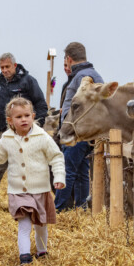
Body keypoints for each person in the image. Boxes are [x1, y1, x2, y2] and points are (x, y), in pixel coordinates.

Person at [0, 97, 65, 265]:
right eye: (19, 117)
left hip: (40, 189)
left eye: (27, 115)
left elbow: (56, 157)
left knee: (41, 224)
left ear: (33, 116)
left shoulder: (42, 137)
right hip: (18, 191)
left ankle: (42, 251)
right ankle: (25, 256)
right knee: (24, 223)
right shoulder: (6, 139)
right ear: (10, 120)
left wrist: (59, 177)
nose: (24, 119)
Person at [0, 52, 47, 209]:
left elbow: (41, 105)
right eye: (2, 67)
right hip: (6, 134)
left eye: (7, 67)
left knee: (36, 166)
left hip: (26, 132)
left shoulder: (28, 81)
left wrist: (36, 126)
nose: (4, 70)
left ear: (15, 66)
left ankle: (58, 200)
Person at [54, 42, 103, 211]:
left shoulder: (81, 78)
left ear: (69, 58)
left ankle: (58, 209)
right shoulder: (94, 75)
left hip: (75, 133)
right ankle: (81, 208)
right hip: (87, 133)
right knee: (82, 171)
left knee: (66, 170)